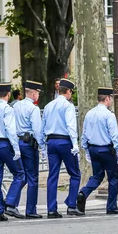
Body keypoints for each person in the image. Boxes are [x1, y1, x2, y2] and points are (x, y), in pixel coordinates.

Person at [77, 87, 118, 215]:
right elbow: (114, 135)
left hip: (93, 149)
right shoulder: (109, 115)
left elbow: (84, 134)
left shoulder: (89, 113)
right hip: (106, 149)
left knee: (97, 176)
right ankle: (111, 206)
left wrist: (86, 149)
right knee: (113, 178)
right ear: (108, 98)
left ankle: (83, 193)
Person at [0, 83, 26, 222]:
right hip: (4, 143)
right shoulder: (8, 109)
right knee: (19, 174)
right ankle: (10, 203)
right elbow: (10, 130)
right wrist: (16, 148)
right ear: (8, 94)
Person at [41, 79, 82, 218]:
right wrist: (75, 144)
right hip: (65, 141)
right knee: (75, 173)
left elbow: (43, 127)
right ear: (69, 91)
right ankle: (71, 205)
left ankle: (51, 209)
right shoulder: (68, 106)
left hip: (51, 141)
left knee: (52, 175)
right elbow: (71, 126)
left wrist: (42, 146)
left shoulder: (48, 106)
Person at [14, 80, 46, 219]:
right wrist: (43, 147)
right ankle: (30, 209)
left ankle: (11, 202)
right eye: (38, 93)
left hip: (18, 142)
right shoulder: (33, 109)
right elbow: (37, 130)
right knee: (32, 177)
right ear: (33, 93)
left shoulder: (16, 106)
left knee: (22, 175)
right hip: (29, 144)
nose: (38, 95)